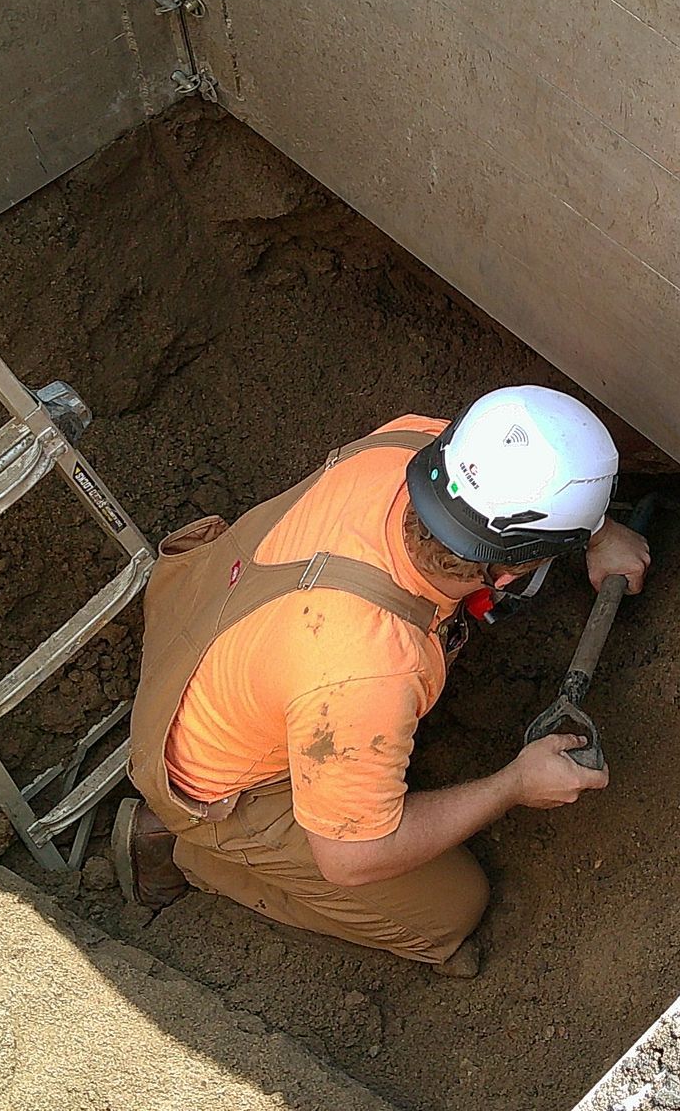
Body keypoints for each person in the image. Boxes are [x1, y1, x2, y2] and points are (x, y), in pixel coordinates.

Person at [109, 385, 651, 976]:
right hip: (210, 778)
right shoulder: (371, 670)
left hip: (211, 621)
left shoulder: (420, 442)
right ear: (514, 566)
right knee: (451, 909)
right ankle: (181, 848)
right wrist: (513, 785)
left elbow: (499, 494)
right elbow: (352, 858)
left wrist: (601, 533)